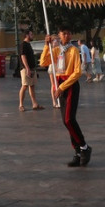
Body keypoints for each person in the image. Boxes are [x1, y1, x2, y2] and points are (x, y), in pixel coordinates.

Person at [40, 26, 93, 167]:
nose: (67, 36)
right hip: (60, 84)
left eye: (69, 33)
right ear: (59, 35)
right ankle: (77, 151)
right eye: (64, 33)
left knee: (69, 119)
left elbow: (77, 72)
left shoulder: (74, 50)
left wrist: (62, 87)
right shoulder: (56, 50)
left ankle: (84, 147)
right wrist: (47, 46)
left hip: (69, 85)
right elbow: (43, 62)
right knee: (66, 120)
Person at [18, 29, 43, 111]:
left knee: (32, 86)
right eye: (31, 34)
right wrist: (27, 68)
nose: (33, 36)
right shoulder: (23, 45)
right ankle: (21, 105)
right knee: (24, 86)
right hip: (26, 69)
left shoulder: (28, 45)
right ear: (27, 35)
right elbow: (23, 56)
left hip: (32, 68)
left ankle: (34, 103)